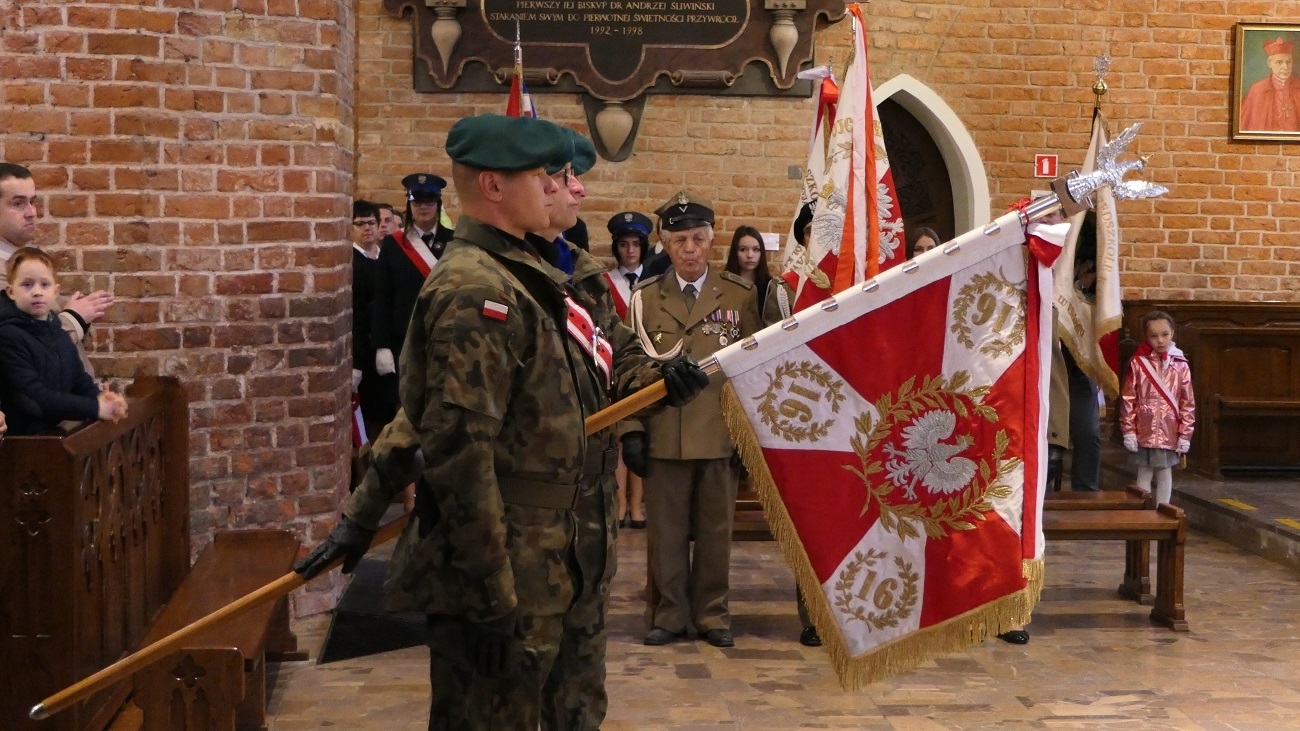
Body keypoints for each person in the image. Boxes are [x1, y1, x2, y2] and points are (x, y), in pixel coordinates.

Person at [294, 114, 707, 731]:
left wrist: (660, 381)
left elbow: (608, 358)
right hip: (509, 557)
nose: (562, 187)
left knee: (575, 713)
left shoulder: (550, 272)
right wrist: (484, 593)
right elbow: (456, 450)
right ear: (493, 186)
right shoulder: (474, 289)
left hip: (572, 545)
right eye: (546, 175)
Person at [625, 196, 761, 649]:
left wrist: (747, 437)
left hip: (719, 433)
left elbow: (752, 371)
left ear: (711, 241)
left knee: (716, 533)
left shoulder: (738, 295)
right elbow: (628, 372)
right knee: (665, 534)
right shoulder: (645, 298)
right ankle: (669, 613)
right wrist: (631, 432)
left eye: (698, 239)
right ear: (665, 243)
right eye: (680, 239)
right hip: (663, 432)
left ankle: (712, 613)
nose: (690, 249)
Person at [0, 247, 127, 435]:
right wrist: (95, 407)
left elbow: (78, 378)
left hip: (55, 433)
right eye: (27, 285)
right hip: (25, 439)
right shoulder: (9, 335)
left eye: (44, 285)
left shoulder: (57, 331)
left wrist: (101, 397)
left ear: (55, 291)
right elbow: (33, 400)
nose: (37, 292)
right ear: (11, 292)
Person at [0, 163, 113, 373]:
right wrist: (74, 318)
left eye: (32, 202)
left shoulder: (22, 262)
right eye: (18, 203)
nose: (31, 212)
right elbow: (29, 347)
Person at [371, 174, 448, 409]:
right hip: (403, 339)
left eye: (429, 200)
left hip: (444, 337)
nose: (423, 207)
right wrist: (382, 345)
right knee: (405, 408)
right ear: (409, 204)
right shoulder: (393, 244)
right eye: (417, 201)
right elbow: (382, 296)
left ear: (438, 203)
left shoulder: (454, 241)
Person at [1121, 311, 1196, 507]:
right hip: (1144, 428)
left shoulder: (1181, 365)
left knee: (1164, 472)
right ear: (1146, 336)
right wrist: (1129, 430)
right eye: (1154, 336)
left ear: (1173, 333)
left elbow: (1187, 402)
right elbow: (1129, 398)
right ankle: (1142, 514)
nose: (1160, 340)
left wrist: (1185, 434)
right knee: (1144, 471)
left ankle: (1162, 512)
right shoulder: (1138, 363)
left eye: (1165, 334)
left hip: (1168, 429)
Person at [351, 199, 392, 442]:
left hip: (385, 347)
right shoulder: (351, 261)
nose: (367, 228)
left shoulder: (386, 257)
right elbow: (357, 313)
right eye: (360, 223)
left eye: (371, 222)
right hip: (363, 348)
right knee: (367, 420)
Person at [1240, 36, 1300, 132]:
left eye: (1288, 62)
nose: (1285, 67)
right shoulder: (1256, 90)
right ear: (1269, 63)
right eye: (1279, 62)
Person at [603, 211, 652, 321]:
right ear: (616, 248)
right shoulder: (605, 282)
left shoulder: (655, 280)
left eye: (636, 244)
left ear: (644, 246)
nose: (630, 250)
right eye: (623, 245)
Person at [724, 225, 777, 319]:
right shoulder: (723, 284)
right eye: (743, 249)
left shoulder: (770, 287)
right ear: (735, 252)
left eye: (756, 249)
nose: (750, 255)